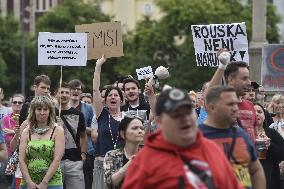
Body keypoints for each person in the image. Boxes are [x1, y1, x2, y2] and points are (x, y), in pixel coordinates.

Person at [122, 88, 244, 189]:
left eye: (187, 112)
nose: (185, 118)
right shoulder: (144, 162)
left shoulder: (212, 149)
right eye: (176, 115)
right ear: (160, 121)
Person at [199, 85, 265, 189]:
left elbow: (256, 170)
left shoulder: (242, 135)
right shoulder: (197, 138)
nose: (235, 108)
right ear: (212, 107)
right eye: (230, 104)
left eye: (236, 104)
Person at [208, 50, 256, 142]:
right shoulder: (221, 104)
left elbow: (254, 134)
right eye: (244, 78)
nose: (249, 83)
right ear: (230, 79)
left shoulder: (250, 105)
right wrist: (222, 67)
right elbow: (210, 94)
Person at [18, 95, 65, 189]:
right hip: (28, 183)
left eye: (45, 109)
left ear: (50, 111)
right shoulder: (26, 132)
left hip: (52, 183)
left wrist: (44, 182)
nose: (42, 113)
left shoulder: (58, 130)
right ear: (34, 111)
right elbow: (21, 159)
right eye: (39, 109)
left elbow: (57, 159)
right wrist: (29, 182)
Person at [92, 55, 124, 189]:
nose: (112, 97)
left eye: (116, 95)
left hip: (121, 165)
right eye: (110, 95)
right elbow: (95, 90)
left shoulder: (127, 119)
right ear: (104, 100)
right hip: (102, 164)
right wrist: (98, 66)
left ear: (121, 100)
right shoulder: (102, 114)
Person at [54, 82, 87, 189]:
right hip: (54, 161)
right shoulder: (49, 113)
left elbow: (83, 135)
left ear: (70, 94)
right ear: (56, 94)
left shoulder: (78, 114)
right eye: (61, 92)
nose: (64, 95)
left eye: (67, 92)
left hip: (74, 161)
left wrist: (83, 154)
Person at [68, 79, 97, 189]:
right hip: (67, 151)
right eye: (73, 89)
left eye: (78, 89)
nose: (76, 91)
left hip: (85, 151)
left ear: (81, 92)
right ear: (69, 91)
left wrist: (80, 126)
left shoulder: (88, 108)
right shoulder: (63, 107)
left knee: (86, 183)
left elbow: (94, 129)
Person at [104, 116, 144, 189]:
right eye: (134, 128)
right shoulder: (112, 155)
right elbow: (109, 183)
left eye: (142, 128)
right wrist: (129, 164)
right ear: (123, 134)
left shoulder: (148, 154)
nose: (140, 131)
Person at [254, 103, 284, 189]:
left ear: (264, 117)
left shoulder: (271, 133)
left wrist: (270, 145)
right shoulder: (244, 133)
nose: (256, 114)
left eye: (259, 112)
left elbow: (282, 153)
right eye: (253, 112)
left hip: (270, 177)